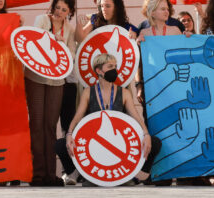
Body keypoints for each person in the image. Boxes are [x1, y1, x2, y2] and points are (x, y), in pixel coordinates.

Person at [57, 52, 158, 185]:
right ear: (98, 70)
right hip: (96, 143)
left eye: (115, 66)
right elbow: (77, 117)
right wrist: (70, 133)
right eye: (110, 66)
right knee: (60, 144)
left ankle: (139, 175)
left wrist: (146, 134)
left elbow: (137, 118)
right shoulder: (88, 92)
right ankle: (77, 174)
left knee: (155, 142)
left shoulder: (124, 92)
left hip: (119, 141)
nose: (114, 70)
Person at [26, 0, 77, 186]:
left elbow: (71, 54)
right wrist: (52, 40)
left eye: (64, 9)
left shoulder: (69, 29)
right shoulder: (41, 20)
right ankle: (37, 173)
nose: (59, 12)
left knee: (50, 125)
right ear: (53, 6)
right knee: (36, 124)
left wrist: (63, 45)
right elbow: (33, 41)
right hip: (36, 77)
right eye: (57, 7)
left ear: (69, 12)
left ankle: (50, 173)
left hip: (57, 79)